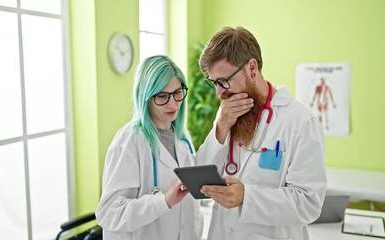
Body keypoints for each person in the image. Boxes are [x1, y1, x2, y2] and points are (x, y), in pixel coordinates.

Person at [196, 26, 327, 240]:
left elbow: (308, 204)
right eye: (214, 83)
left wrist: (247, 198)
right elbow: (200, 174)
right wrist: (220, 127)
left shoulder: (300, 122)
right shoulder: (227, 112)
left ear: (252, 68)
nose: (219, 91)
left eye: (223, 81)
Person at [96, 55, 203, 240]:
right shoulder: (129, 141)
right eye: (162, 96)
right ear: (145, 96)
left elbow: (192, 209)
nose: (173, 103)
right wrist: (163, 201)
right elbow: (109, 213)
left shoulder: (182, 137)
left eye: (178, 92)